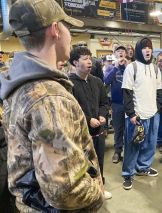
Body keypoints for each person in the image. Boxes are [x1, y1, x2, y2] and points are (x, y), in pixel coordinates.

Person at [0, 0, 105, 211]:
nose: (70, 35)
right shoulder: (49, 97)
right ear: (55, 30)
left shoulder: (20, 84)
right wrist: (98, 189)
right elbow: (65, 192)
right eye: (67, 27)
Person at [68, 46, 112, 199]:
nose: (90, 61)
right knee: (82, 165)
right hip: (80, 135)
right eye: (85, 58)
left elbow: (105, 103)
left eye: (90, 58)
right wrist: (88, 120)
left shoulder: (97, 81)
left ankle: (99, 188)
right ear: (75, 62)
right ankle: (85, 193)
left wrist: (102, 115)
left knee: (99, 161)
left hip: (98, 133)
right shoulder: (69, 84)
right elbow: (70, 111)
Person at [121, 37, 162, 190]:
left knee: (150, 144)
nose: (147, 50)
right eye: (144, 47)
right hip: (136, 116)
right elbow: (126, 92)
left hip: (153, 114)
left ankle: (143, 167)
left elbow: (159, 91)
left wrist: (157, 108)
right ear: (139, 50)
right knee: (133, 146)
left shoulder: (156, 68)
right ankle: (127, 173)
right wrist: (131, 114)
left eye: (150, 47)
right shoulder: (132, 67)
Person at [104, 45, 128, 163]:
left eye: (123, 51)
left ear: (126, 54)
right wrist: (115, 68)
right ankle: (117, 151)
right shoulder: (110, 68)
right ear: (115, 54)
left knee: (129, 129)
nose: (121, 53)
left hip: (130, 104)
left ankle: (129, 152)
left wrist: (127, 66)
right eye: (118, 51)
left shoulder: (130, 66)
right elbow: (106, 81)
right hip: (117, 104)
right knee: (118, 129)